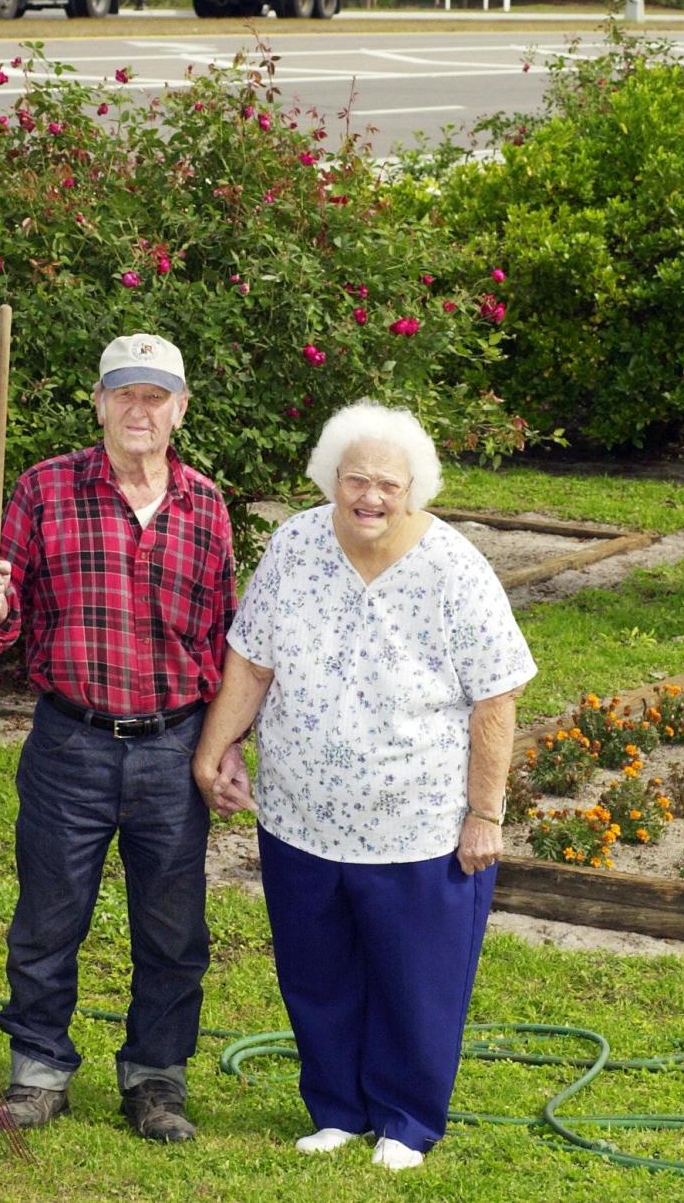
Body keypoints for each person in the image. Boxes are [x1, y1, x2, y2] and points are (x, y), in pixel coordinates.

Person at [193, 400, 537, 1171]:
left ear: (414, 489)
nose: (370, 496)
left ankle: (407, 1121)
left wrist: (486, 813)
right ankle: (337, 1109)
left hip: (416, 823)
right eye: (355, 479)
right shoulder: (295, 545)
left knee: (417, 981)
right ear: (330, 480)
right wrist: (217, 750)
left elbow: (496, 697)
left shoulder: (453, 567)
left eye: (388, 483)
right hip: (301, 818)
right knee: (318, 972)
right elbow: (251, 660)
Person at [0, 332, 249, 1141]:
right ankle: (39, 1072)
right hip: (70, 743)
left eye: (155, 396)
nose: (139, 409)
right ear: (99, 402)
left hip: (171, 747)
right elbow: (5, 622)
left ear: (180, 410)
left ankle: (156, 1078)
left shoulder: (207, 505)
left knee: (173, 926)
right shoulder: (43, 489)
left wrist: (225, 743)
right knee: (49, 917)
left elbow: (225, 638)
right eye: (124, 393)